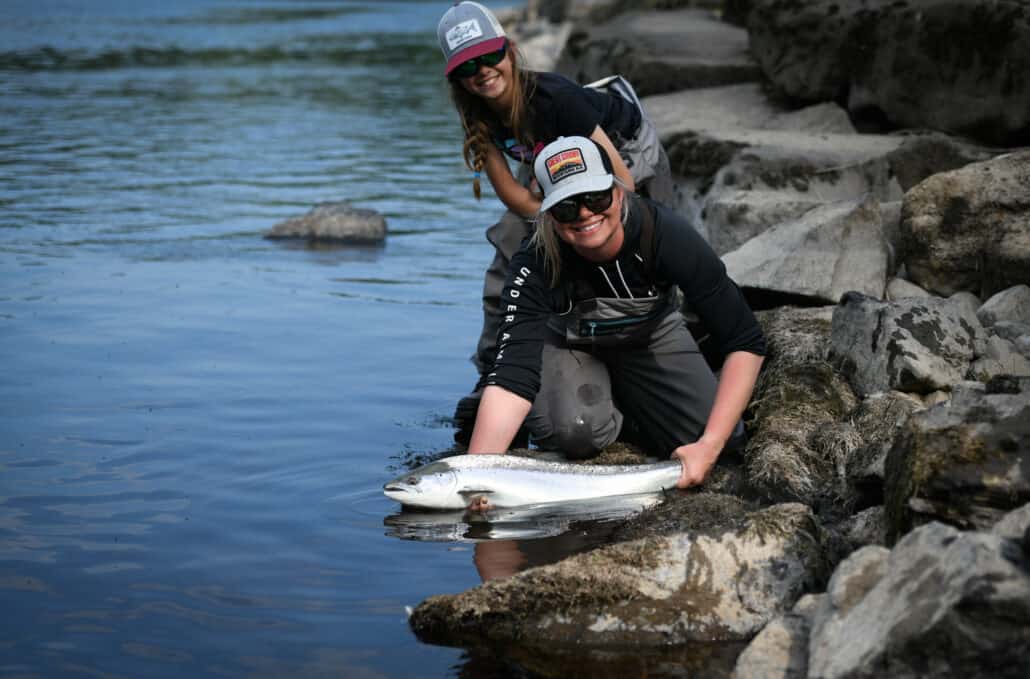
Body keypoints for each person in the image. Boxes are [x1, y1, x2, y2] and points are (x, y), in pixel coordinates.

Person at [464, 136, 766, 496]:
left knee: (725, 441)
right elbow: (512, 378)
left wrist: (709, 445)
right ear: (549, 216)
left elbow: (745, 339)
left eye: (596, 197)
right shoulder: (533, 261)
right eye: (566, 207)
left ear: (618, 194)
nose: (585, 214)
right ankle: (601, 409)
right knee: (578, 432)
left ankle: (635, 406)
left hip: (649, 336)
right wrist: (475, 477)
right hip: (569, 346)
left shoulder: (666, 234)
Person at [436, 1, 674, 440]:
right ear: (457, 78)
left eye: (489, 55)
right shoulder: (475, 111)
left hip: (624, 155)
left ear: (509, 50)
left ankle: (661, 353)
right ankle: (494, 372)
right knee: (512, 239)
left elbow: (621, 183)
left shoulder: (554, 98)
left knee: (638, 243)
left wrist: (574, 223)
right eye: (467, 66)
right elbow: (511, 194)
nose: (482, 71)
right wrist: (550, 222)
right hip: (552, 162)